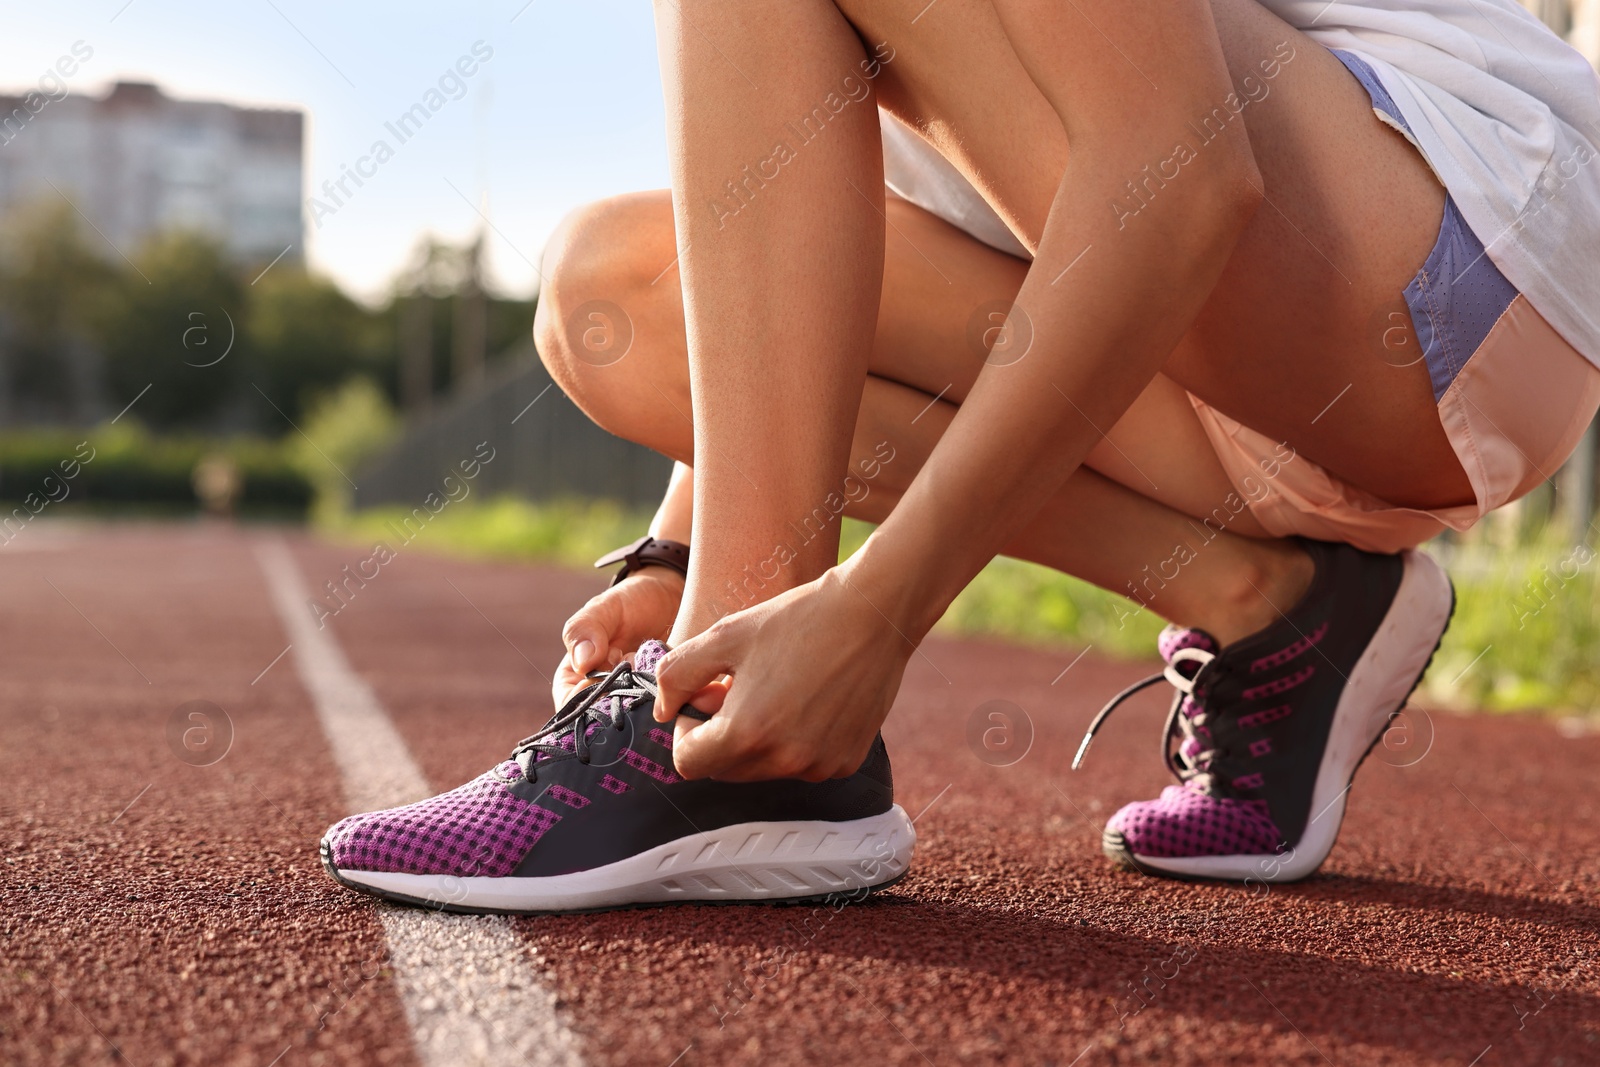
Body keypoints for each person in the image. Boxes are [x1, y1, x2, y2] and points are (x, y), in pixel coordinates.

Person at [318, 0, 1600, 911]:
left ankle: (741, 745)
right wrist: (682, 548)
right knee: (612, 305)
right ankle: (1272, 604)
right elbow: (790, 240)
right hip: (1231, 358)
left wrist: (875, 616)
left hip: (1449, 264)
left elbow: (1181, 175)